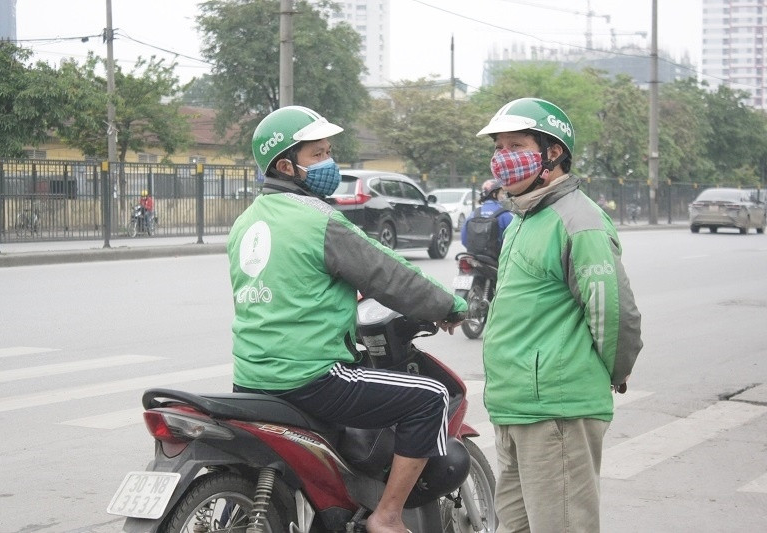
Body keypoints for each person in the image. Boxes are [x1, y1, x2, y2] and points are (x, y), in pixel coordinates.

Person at [226, 105, 467, 533]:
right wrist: (448, 306)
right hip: (312, 379)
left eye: (328, 152)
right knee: (430, 397)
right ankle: (387, 517)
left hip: (250, 379)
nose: (329, 162)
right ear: (286, 166)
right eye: (317, 154)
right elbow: (389, 273)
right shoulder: (318, 220)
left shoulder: (245, 223)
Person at [475, 97, 643, 533]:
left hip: (556, 411)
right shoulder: (524, 217)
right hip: (514, 408)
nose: (502, 157)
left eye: (515, 146)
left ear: (553, 153)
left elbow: (613, 311)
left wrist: (616, 369)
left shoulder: (577, 220)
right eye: (499, 147)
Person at [460, 178, 514, 256]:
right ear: (494, 194)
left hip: (475, 257)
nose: (504, 196)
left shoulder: (473, 214)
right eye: (502, 193)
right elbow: (515, 241)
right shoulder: (506, 215)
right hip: (498, 259)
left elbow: (464, 240)